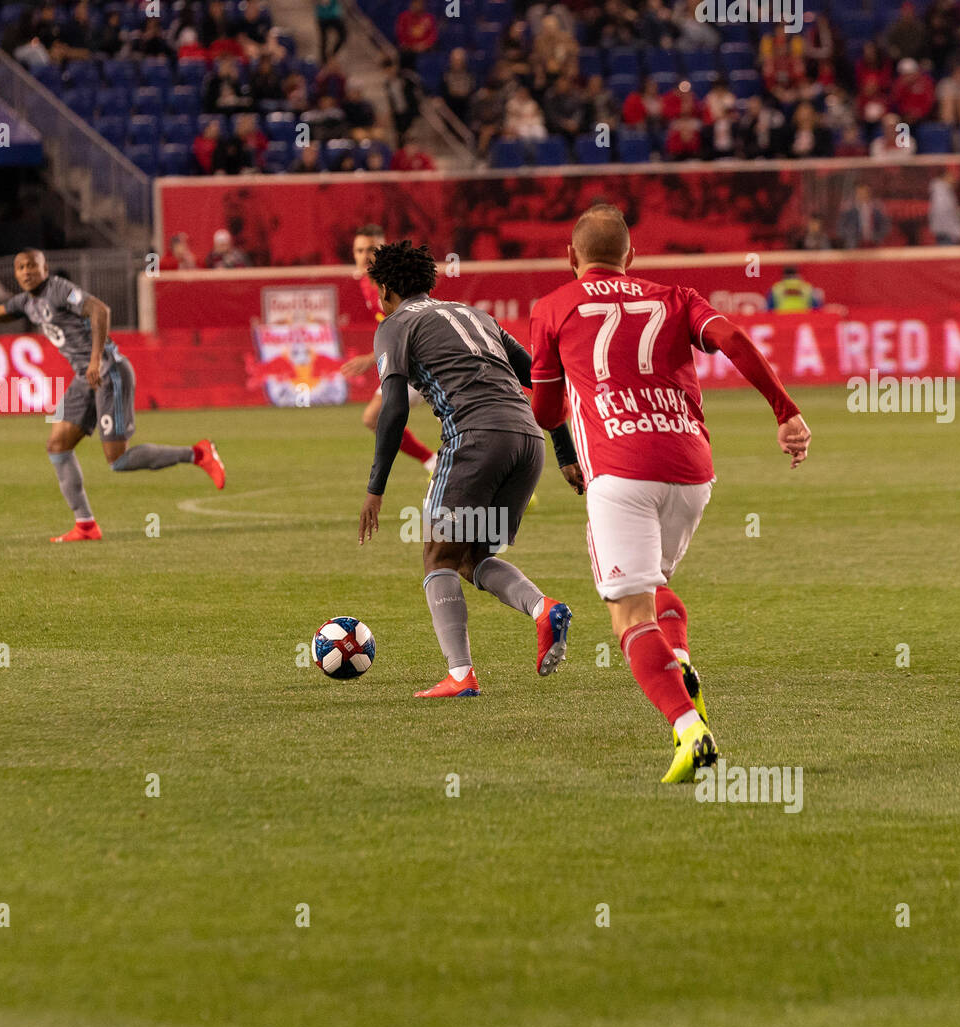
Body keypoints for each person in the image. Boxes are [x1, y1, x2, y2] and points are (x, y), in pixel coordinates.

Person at [528, 206, 810, 783]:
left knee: (627, 612)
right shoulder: (677, 297)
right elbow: (732, 337)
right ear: (631, 258)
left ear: (570, 256)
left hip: (619, 470)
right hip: (691, 471)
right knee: (654, 587)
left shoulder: (552, 307)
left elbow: (545, 410)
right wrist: (786, 413)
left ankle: (688, 729)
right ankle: (679, 662)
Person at [357, 241, 579, 699]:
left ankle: (461, 675)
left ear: (384, 289)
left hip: (476, 440)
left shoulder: (393, 325)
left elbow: (393, 409)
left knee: (437, 556)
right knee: (467, 556)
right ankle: (544, 609)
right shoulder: (476, 314)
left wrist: (375, 487)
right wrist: (565, 452)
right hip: (527, 442)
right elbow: (542, 377)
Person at [0, 250, 225, 543]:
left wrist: (96, 358)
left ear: (45, 268)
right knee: (57, 446)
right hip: (84, 378)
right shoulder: (26, 302)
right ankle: (85, 525)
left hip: (108, 371)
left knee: (119, 461)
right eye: (21, 267)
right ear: (16, 274)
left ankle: (197, 454)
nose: (26, 272)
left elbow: (100, 310)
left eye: (32, 266)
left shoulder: (59, 289)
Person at [345, 225, 437, 475]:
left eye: (371, 249)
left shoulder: (396, 286)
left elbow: (409, 331)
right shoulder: (367, 283)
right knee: (373, 418)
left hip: (428, 362)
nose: (364, 256)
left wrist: (369, 358)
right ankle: (434, 463)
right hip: (406, 364)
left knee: (462, 426)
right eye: (359, 250)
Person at [837, 182, 890, 248]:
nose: (862, 195)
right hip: (854, 242)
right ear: (855, 194)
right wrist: (850, 236)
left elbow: (886, 225)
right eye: (860, 193)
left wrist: (878, 236)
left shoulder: (877, 207)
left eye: (865, 192)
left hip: (875, 241)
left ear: (869, 193)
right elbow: (840, 228)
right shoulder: (848, 208)